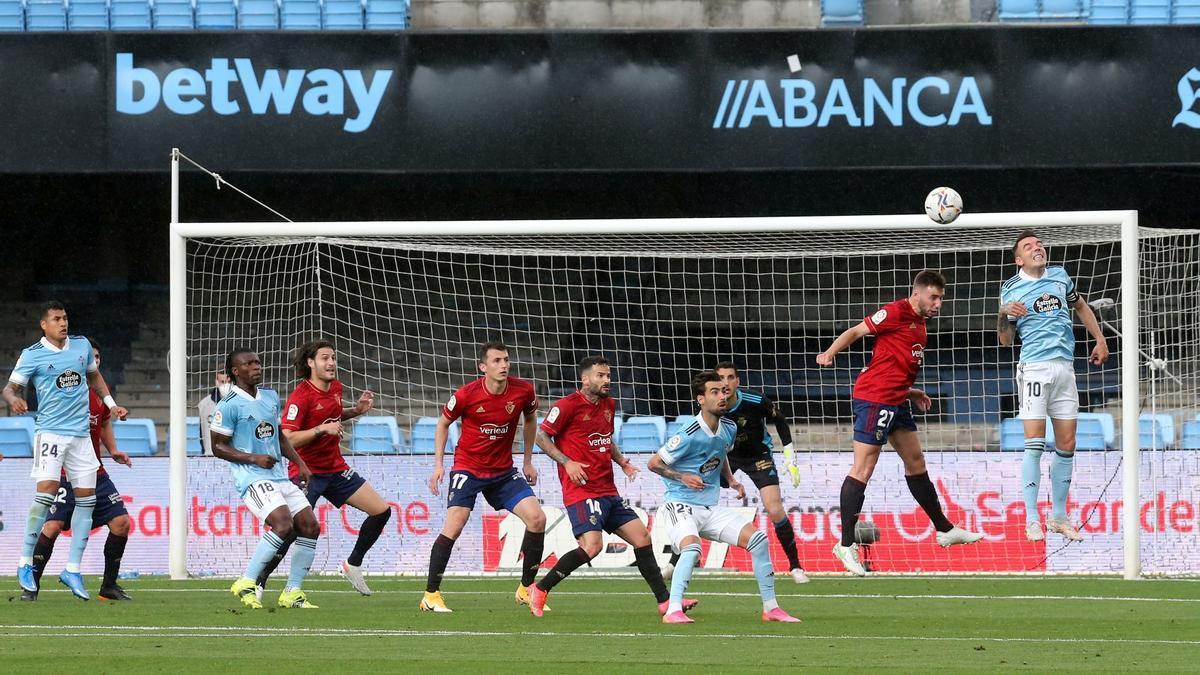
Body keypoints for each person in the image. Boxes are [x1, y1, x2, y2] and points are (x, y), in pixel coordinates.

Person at [817, 271, 982, 576]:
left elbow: (892, 363)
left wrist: (911, 391)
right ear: (916, 293)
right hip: (874, 399)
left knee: (916, 463)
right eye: (934, 297)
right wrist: (830, 352)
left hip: (897, 400)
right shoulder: (894, 312)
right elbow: (856, 331)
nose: (938, 304)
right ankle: (845, 544)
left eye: (941, 298)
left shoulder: (920, 326)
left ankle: (944, 528)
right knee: (863, 469)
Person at [528, 356, 696, 617]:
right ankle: (540, 588)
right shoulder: (567, 405)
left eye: (608, 375)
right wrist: (568, 462)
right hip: (582, 490)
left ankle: (664, 601)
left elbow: (606, 439)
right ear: (585, 379)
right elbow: (541, 436)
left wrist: (622, 462)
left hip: (607, 489)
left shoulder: (608, 404)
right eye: (600, 376)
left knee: (642, 538)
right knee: (592, 546)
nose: (607, 380)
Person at [649, 371, 800, 624]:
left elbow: (720, 455)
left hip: (709, 508)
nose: (722, 396)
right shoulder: (688, 432)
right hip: (680, 504)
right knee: (692, 548)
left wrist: (731, 480)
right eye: (714, 392)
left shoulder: (728, 427)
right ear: (700, 399)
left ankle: (771, 609)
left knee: (759, 540)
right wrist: (682, 477)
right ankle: (673, 609)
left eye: (723, 391)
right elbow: (653, 463)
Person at [4, 301, 128, 599]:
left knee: (85, 502)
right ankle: (24, 562)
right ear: (44, 325)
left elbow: (94, 376)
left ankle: (72, 569)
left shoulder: (82, 346)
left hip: (82, 438)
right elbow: (10, 388)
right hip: (51, 434)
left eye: (65, 318)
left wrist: (112, 405)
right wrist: (13, 400)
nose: (63, 323)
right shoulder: (32, 355)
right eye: (57, 319)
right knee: (46, 494)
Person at [253, 339, 389, 597]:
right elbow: (288, 437)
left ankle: (352, 564)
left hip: (335, 469)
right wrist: (320, 430)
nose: (331, 363)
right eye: (325, 358)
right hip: (307, 472)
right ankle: (259, 581)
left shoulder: (336, 387)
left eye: (333, 358)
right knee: (293, 529)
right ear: (310, 362)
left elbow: (333, 416)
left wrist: (355, 410)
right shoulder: (300, 397)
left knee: (381, 511)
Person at [998, 230, 1109, 542]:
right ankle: (1031, 518)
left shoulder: (1060, 276)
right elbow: (1004, 340)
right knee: (1034, 443)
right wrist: (1004, 314)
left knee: (1067, 444)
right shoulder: (1011, 288)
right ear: (1018, 258)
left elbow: (1081, 306)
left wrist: (1099, 338)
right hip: (1035, 368)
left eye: (1040, 244)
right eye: (1029, 246)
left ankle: (1058, 516)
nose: (1038, 248)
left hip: (1065, 368)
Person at [421, 341, 544, 613]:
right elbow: (443, 423)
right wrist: (439, 464)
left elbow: (531, 419)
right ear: (483, 366)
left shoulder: (523, 390)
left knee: (537, 519)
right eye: (497, 361)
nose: (503, 365)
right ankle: (430, 594)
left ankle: (526, 590)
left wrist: (527, 461)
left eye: (506, 360)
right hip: (468, 468)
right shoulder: (467, 394)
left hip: (503, 471)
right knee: (455, 523)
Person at [25, 341, 134, 602]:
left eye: (96, 358)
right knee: (51, 526)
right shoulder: (64, 392)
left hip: (94, 471)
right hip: (64, 474)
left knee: (121, 523)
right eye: (89, 357)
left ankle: (108, 587)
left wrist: (113, 449)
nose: (92, 361)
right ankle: (31, 586)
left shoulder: (99, 395)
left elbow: (105, 423)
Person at [211, 348, 319, 609]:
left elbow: (279, 436)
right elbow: (218, 447)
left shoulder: (270, 397)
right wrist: (253, 458)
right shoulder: (227, 405)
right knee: (283, 524)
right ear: (236, 372)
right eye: (249, 363)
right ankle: (246, 580)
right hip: (252, 478)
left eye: (258, 362)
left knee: (309, 526)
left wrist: (300, 462)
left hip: (279, 476)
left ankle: (292, 592)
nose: (257, 366)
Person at [197, 369, 232, 456]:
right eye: (222, 382)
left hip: (235, 456)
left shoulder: (242, 403)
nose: (226, 385)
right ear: (217, 382)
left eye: (229, 381)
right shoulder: (204, 404)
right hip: (211, 456)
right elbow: (202, 433)